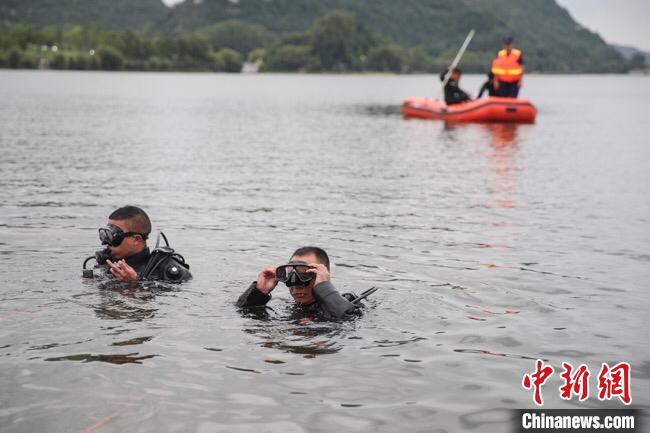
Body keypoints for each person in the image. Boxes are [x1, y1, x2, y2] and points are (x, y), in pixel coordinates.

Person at [236, 246, 362, 320]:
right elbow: (243, 315)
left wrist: (325, 289)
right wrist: (259, 293)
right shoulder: (282, 306)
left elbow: (351, 322)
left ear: (324, 274)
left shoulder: (349, 303)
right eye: (290, 275)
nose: (295, 283)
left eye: (305, 274)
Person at [83, 205, 192, 282]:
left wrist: (134, 284)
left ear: (136, 239)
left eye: (113, 236)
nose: (106, 242)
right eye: (104, 234)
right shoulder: (106, 266)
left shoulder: (168, 272)